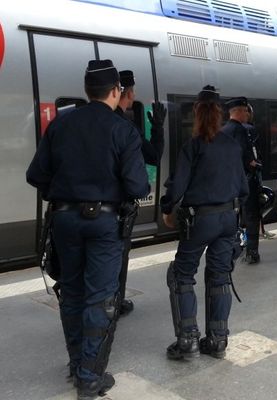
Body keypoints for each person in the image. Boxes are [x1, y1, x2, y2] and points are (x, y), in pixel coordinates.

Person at [26, 59, 149, 399]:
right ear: (116, 92)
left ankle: (77, 362)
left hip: (64, 220)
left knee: (72, 292)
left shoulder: (61, 125)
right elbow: (138, 186)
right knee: (100, 297)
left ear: (86, 90)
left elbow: (35, 175)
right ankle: (89, 376)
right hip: (104, 224)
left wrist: (66, 190)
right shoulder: (122, 129)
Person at [160, 85, 248, 360]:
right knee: (220, 276)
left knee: (181, 275)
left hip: (200, 220)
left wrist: (167, 209)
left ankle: (187, 341)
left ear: (197, 114)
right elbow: (243, 187)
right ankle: (218, 341)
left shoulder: (193, 146)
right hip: (228, 219)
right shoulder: (233, 146)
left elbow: (177, 186)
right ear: (220, 114)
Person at [114, 69, 167, 316]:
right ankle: (115, 301)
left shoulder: (74, 120)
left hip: (74, 211)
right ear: (126, 93)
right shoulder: (126, 126)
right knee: (116, 257)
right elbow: (154, 157)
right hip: (115, 209)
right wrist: (157, 128)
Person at [223, 97, 262, 264]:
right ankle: (252, 251)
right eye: (245, 111)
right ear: (238, 111)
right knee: (251, 215)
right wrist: (253, 164)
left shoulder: (223, 130)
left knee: (231, 217)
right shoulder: (242, 130)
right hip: (245, 181)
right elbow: (244, 155)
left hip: (227, 182)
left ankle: (231, 248)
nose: (248, 114)